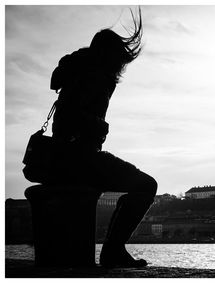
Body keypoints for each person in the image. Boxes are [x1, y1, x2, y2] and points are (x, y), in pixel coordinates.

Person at [24, 9, 157, 268]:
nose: (121, 67)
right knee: (146, 186)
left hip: (61, 158)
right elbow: (75, 118)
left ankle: (112, 251)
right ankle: (113, 250)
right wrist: (100, 127)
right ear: (111, 58)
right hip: (81, 158)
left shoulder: (76, 69)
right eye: (120, 60)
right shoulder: (97, 76)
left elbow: (65, 109)